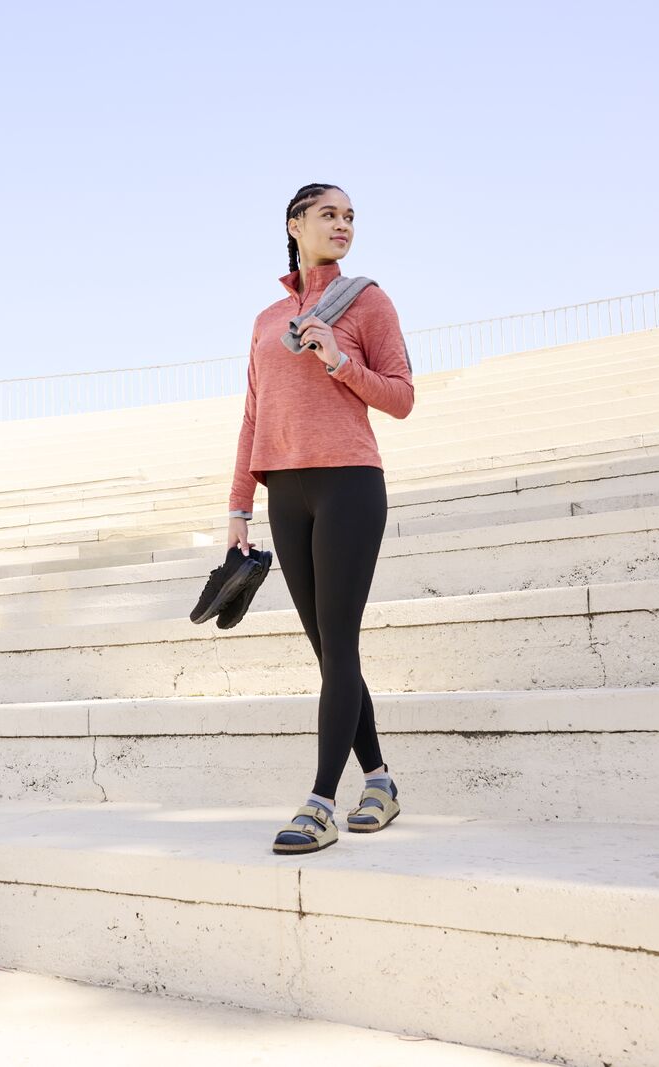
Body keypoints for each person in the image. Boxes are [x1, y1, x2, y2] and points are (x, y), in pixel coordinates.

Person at [227, 183, 416, 855]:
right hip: (286, 491)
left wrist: (341, 363)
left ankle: (319, 802)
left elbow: (402, 397)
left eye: (350, 217)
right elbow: (253, 415)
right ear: (295, 224)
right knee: (329, 648)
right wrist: (237, 506)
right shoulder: (264, 320)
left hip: (350, 484)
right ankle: (382, 781)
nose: (343, 225)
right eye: (329, 215)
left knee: (339, 641)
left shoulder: (368, 301)